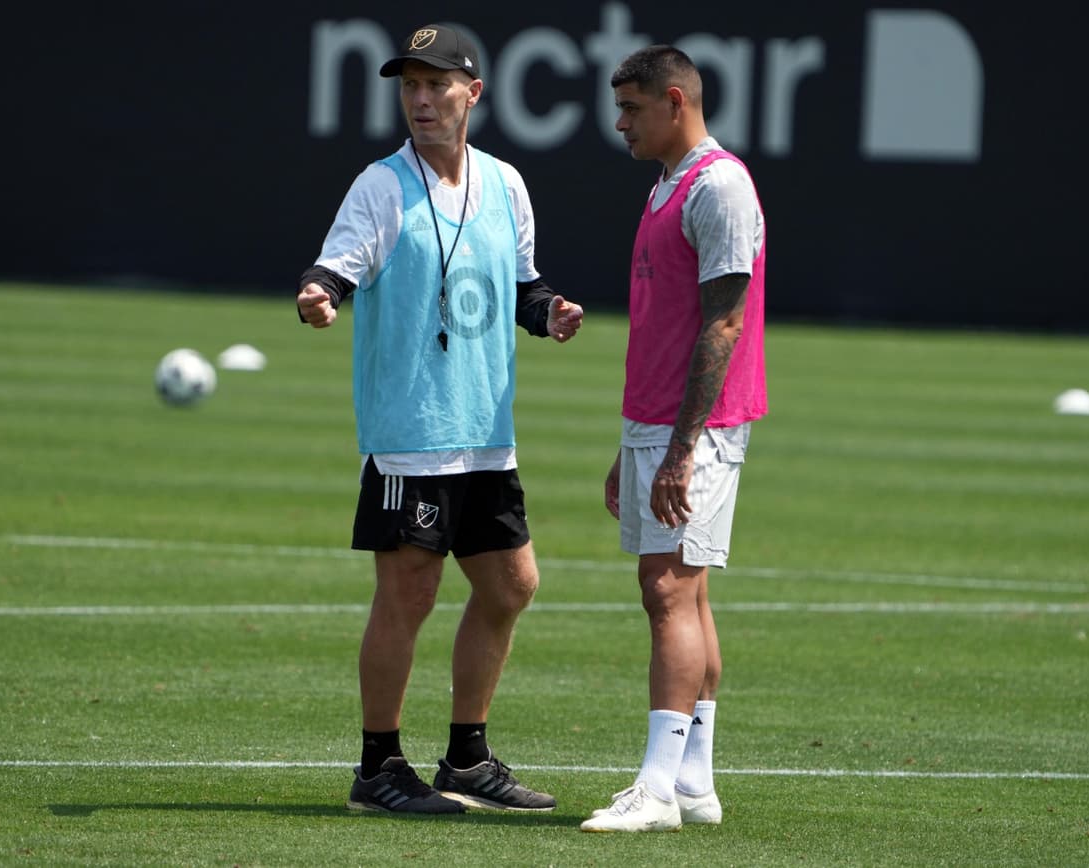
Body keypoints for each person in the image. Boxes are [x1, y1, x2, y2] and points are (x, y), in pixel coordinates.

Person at [297, 23, 584, 815]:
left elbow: (522, 286)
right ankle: (379, 767)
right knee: (409, 595)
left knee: (512, 585)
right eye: (409, 86)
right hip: (411, 433)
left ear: (473, 94)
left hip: (486, 433)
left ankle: (466, 758)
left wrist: (551, 313)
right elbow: (336, 268)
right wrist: (319, 296)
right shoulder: (381, 186)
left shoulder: (506, 183)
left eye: (435, 85)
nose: (420, 100)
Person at [581, 45, 767, 833]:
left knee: (666, 590)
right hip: (656, 423)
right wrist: (629, 446)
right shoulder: (668, 185)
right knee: (685, 591)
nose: (620, 124)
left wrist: (681, 450)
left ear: (676, 102)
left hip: (698, 430)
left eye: (632, 109)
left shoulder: (718, 186)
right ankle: (693, 782)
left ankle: (655, 789)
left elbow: (724, 324)